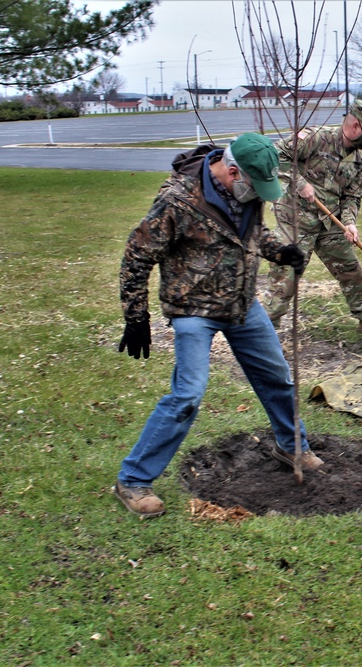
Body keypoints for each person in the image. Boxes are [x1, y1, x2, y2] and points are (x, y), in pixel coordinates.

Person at [114, 132, 319, 519]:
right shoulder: (179, 201)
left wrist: (281, 251)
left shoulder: (247, 191)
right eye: (254, 186)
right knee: (188, 395)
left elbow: (253, 233)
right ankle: (134, 480)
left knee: (278, 377)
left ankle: (290, 446)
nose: (258, 195)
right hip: (193, 309)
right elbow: (136, 256)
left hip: (241, 306)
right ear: (231, 170)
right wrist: (135, 317)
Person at [263, 99, 362, 342]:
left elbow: (353, 195)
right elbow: (275, 155)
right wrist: (300, 183)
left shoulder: (358, 159)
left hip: (328, 220)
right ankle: (266, 331)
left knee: (351, 270)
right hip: (295, 218)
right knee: (287, 275)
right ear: (355, 125)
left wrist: (350, 222)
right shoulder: (316, 138)